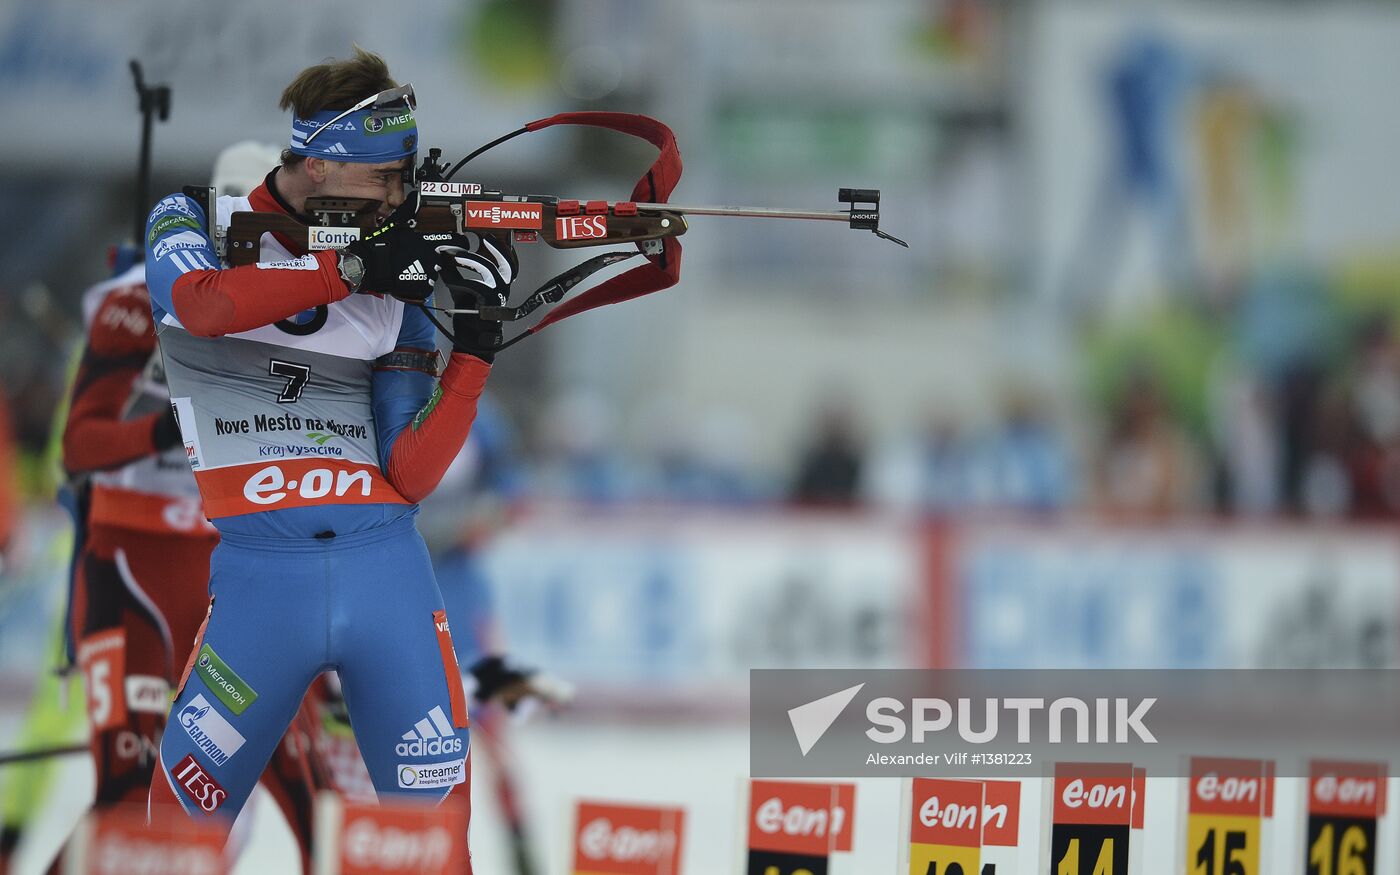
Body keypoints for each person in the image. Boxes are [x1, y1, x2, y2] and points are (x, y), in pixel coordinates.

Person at [143, 50, 510, 866]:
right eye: (383, 175)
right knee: (172, 840)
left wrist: (477, 344)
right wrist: (344, 268)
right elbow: (203, 307)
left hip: (390, 579)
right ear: (319, 163)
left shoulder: (395, 278)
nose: (397, 194)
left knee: (440, 847)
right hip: (261, 586)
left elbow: (409, 474)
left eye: (406, 175)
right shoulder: (190, 217)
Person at [43, 142, 331, 873]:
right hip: (133, 567)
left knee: (305, 794)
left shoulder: (315, 307)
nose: (257, 244)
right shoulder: (139, 298)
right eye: (238, 223)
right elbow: (78, 445)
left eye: (277, 228)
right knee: (127, 792)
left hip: (239, 575)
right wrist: (172, 422)